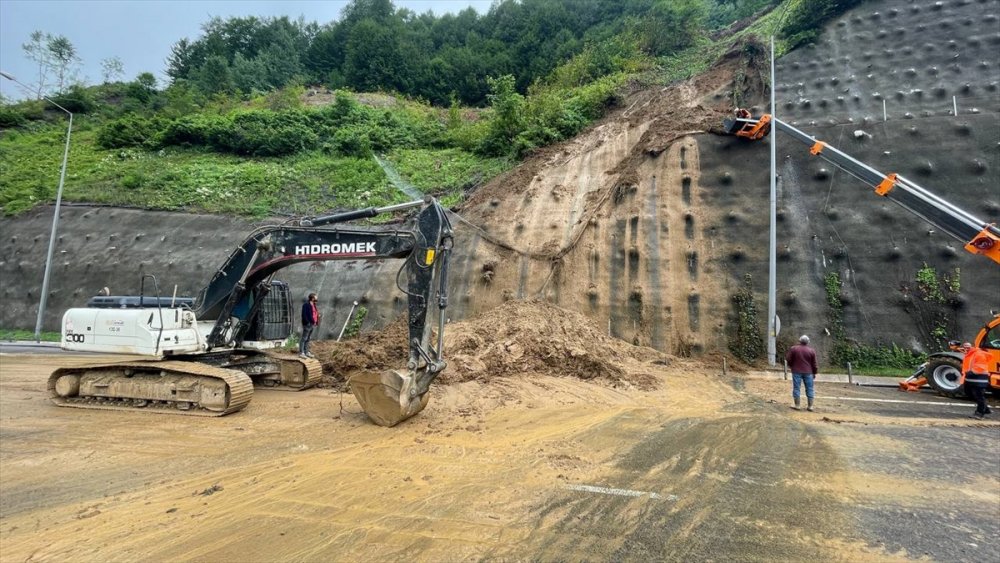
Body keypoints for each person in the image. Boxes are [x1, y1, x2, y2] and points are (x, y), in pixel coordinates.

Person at [786, 335, 819, 411]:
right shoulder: (811, 351)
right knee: (810, 388)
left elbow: (788, 358)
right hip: (808, 372)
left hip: (796, 371)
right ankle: (810, 406)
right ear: (808, 342)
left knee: (796, 388)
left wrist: (792, 366)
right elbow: (814, 363)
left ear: (799, 341)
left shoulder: (794, 349)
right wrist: (814, 372)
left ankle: (797, 405)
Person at [960, 341, 992, 419]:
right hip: (971, 378)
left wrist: (970, 373)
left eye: (968, 346)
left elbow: (980, 366)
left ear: (973, 346)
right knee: (971, 394)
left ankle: (979, 413)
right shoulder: (969, 353)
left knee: (978, 396)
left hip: (979, 379)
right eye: (964, 346)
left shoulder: (978, 354)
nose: (966, 348)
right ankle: (986, 409)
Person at [300, 292, 320, 359]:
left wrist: (316, 321)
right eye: (315, 297)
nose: (317, 298)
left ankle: (307, 352)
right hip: (307, 324)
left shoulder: (314, 305)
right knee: (304, 338)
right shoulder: (306, 305)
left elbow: (315, 313)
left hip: (312, 324)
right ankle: (302, 352)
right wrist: (307, 322)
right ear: (312, 298)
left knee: (308, 339)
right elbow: (304, 315)